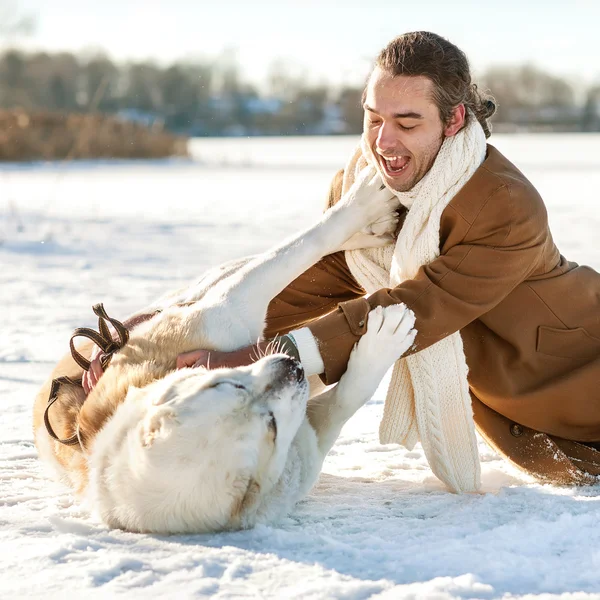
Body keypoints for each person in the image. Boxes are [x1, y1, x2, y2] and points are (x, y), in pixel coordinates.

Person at [92, 32, 600, 488]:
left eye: (407, 122)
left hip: (578, 369)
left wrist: (260, 359)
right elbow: (305, 284)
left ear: (454, 120)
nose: (383, 142)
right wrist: (161, 336)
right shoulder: (363, 193)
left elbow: (411, 310)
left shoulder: (502, 204)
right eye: (374, 118)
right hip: (515, 403)